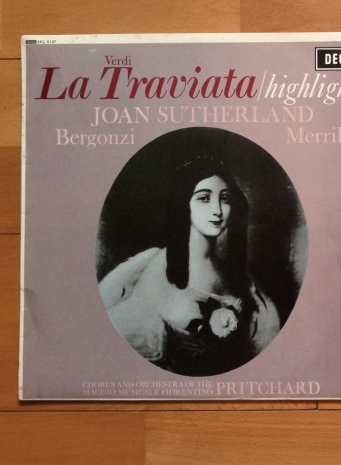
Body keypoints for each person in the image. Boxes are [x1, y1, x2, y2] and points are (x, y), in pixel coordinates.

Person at [98, 154, 280, 376]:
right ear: (183, 203)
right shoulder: (157, 268)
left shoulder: (239, 276)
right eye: (204, 198)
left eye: (225, 199)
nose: (217, 210)